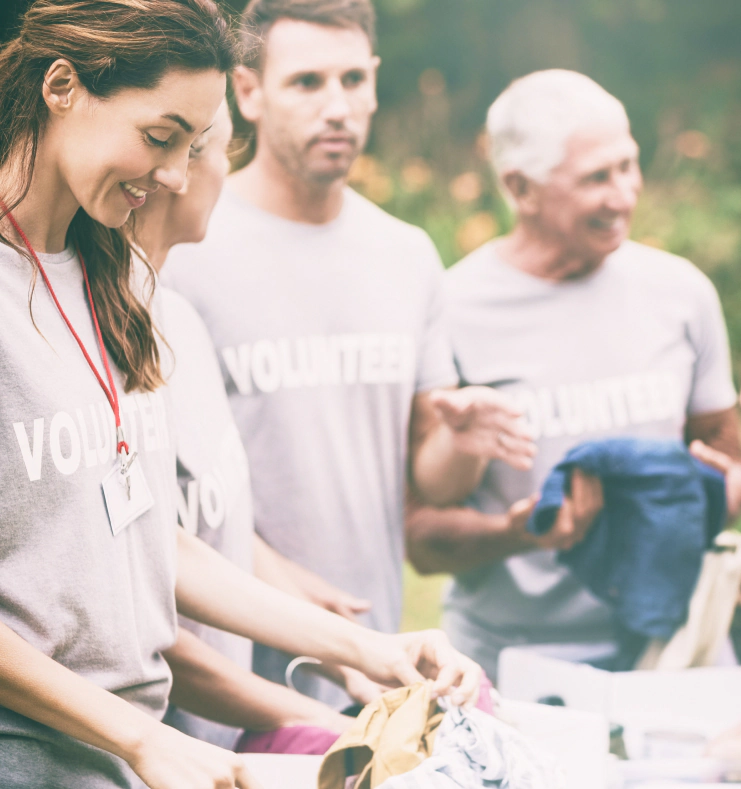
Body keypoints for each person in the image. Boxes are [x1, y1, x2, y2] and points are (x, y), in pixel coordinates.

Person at [0, 2, 482, 787]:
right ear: (62, 87)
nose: (174, 178)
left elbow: (150, 535)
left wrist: (369, 649)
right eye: (159, 138)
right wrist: (139, 737)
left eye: (191, 149)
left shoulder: (113, 285)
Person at [163, 0, 535, 707]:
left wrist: (458, 440)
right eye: (306, 83)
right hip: (219, 673)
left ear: (373, 82)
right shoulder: (188, 243)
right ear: (248, 92)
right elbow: (167, 500)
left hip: (375, 667)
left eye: (351, 81)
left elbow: (434, 485)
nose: (336, 107)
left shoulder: (407, 254)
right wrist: (286, 599)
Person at [406, 69, 741, 680]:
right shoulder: (451, 309)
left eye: (628, 166)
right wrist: (520, 535)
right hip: (513, 665)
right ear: (520, 187)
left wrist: (722, 491)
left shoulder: (680, 292)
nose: (624, 194)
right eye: (596, 178)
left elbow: (725, 450)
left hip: (677, 652)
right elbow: (422, 538)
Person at [133, 101, 354, 748]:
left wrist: (345, 644)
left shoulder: (181, 321)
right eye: (227, 151)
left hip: (223, 742)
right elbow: (145, 611)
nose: (227, 175)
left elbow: (200, 523)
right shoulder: (98, 341)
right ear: (178, 166)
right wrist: (325, 718)